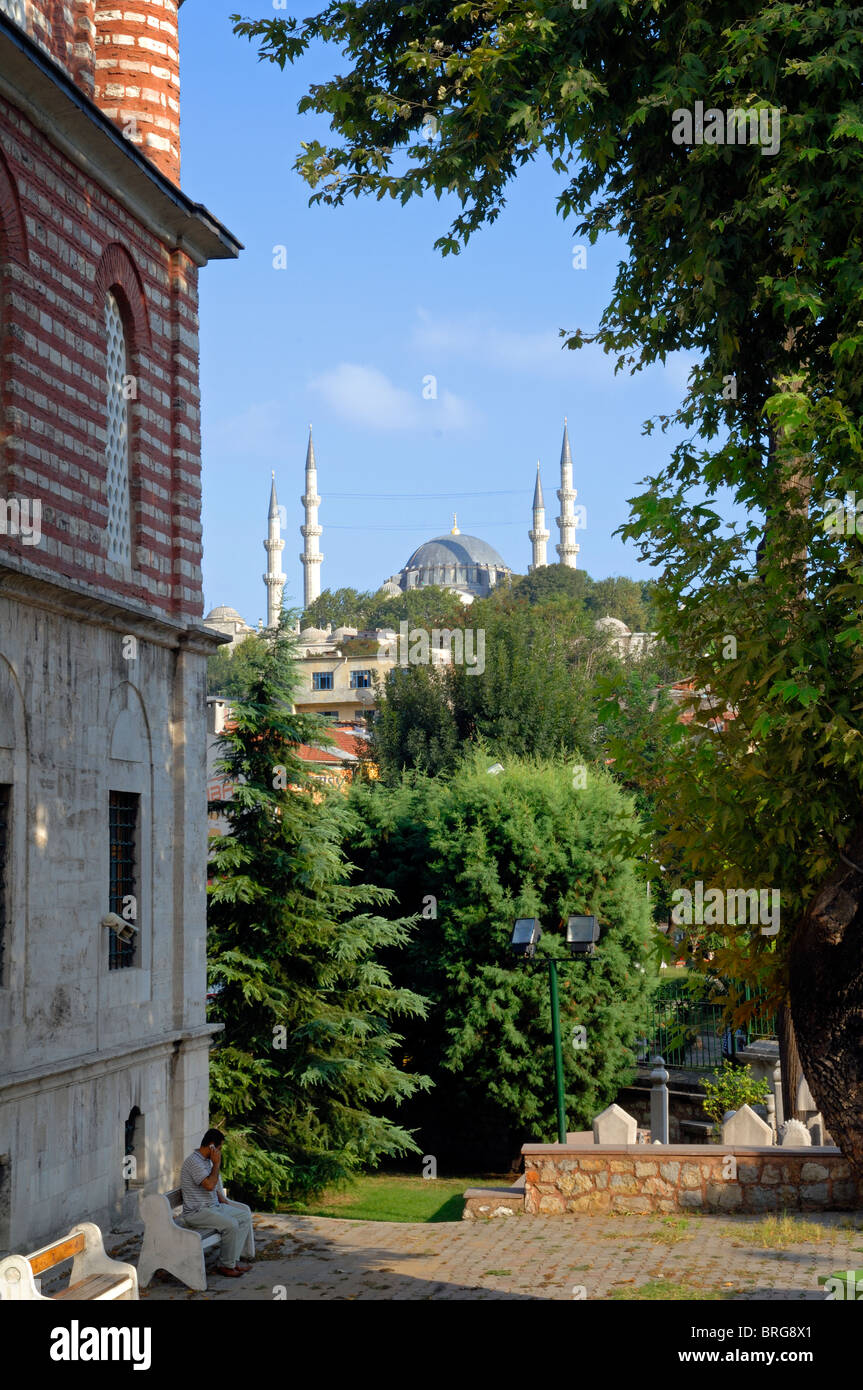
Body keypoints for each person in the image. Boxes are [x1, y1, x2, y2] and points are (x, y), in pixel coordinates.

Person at [179, 1128, 254, 1278]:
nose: (220, 1152)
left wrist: (222, 1198)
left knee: (245, 1216)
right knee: (231, 1224)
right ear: (212, 1146)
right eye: (219, 1148)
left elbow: (213, 1186)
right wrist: (217, 1164)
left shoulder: (205, 1161)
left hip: (212, 1207)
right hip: (196, 1213)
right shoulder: (194, 1162)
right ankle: (226, 1266)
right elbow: (209, 1185)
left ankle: (231, 1261)